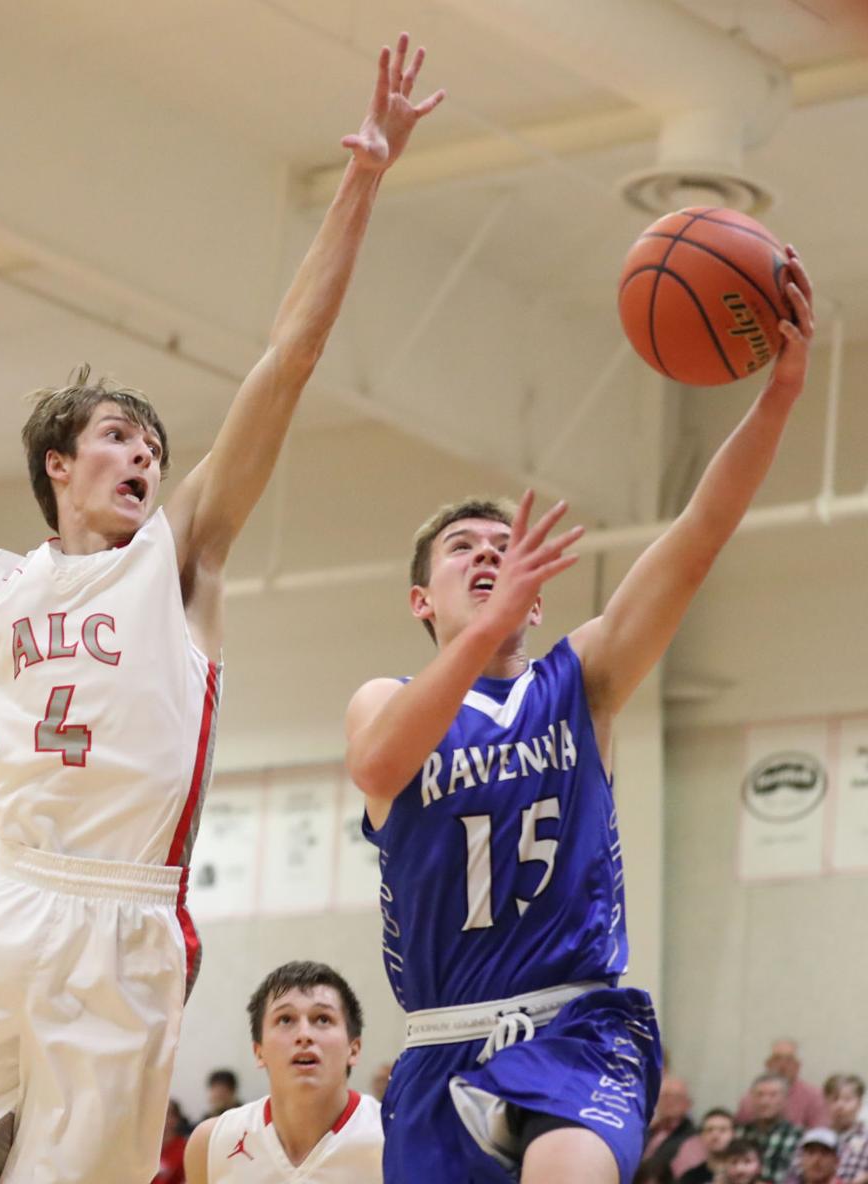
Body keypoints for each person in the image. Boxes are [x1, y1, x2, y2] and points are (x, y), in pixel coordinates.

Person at [0, 33, 443, 1184]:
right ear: (58, 464)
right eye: (120, 434)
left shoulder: (179, 554)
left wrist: (362, 175)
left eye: (154, 442)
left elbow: (288, 358)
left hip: (126, 910)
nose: (146, 453)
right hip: (8, 890)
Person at [343, 250, 814, 1184]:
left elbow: (696, 538)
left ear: (540, 596)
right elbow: (381, 766)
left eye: (505, 548)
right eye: (463, 550)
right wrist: (483, 632)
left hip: (577, 1028)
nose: (488, 557)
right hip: (441, 1047)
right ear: (420, 601)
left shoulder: (581, 677)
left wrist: (779, 398)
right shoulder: (384, 699)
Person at [184, 961, 382, 1182]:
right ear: (259, 1051)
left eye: (323, 1019)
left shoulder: (392, 1138)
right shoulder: (211, 1143)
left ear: (353, 1049)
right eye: (285, 1019)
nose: (304, 1035)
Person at [786, 1078, 868, 1184]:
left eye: (847, 1100)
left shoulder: (865, 1140)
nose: (840, 1106)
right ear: (826, 1103)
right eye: (835, 1099)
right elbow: (795, 1171)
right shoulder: (813, 1137)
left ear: (859, 1104)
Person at [737, 1044, 829, 1132]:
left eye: (789, 1060)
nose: (782, 1065)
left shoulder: (815, 1096)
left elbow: (819, 1133)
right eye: (777, 1059)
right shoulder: (750, 1098)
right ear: (768, 1064)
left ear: (797, 1066)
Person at [738, 1075, 804, 1184]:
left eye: (773, 1095)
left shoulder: (799, 1136)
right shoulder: (739, 1134)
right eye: (759, 1095)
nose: (764, 1101)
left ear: (785, 1100)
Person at [641, 1076, 697, 1176]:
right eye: (665, 1096)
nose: (669, 1102)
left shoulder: (693, 1139)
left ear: (688, 1103)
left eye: (676, 1097)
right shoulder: (646, 1130)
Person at [679, 1108, 736, 1184]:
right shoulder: (689, 1178)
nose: (715, 1135)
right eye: (709, 1130)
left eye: (722, 1130)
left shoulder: (745, 1174)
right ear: (701, 1136)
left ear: (733, 1135)